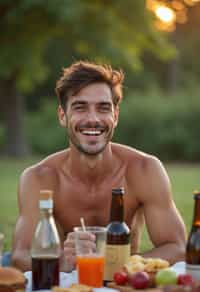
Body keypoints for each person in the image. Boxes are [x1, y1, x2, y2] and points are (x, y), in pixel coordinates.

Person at [12, 61, 186, 272]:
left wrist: (121, 265)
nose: (93, 119)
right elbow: (20, 256)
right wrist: (62, 263)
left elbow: (177, 248)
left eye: (103, 108)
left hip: (121, 280)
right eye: (80, 107)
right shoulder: (39, 178)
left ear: (115, 116)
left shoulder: (144, 169)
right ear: (62, 116)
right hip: (66, 277)